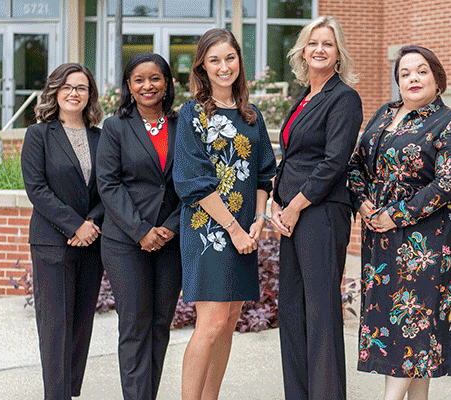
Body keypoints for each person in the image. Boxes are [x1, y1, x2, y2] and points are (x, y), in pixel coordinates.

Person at [347, 45, 451, 400]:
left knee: (413, 329)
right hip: (381, 239)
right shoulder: (384, 115)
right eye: (405, 73)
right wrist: (363, 203)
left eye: (421, 71)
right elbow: (355, 165)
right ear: (398, 81)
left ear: (437, 78)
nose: (413, 78)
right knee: (407, 335)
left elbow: (450, 181)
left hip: (427, 243)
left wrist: (396, 214)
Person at [172, 28, 277, 400]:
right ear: (202, 65)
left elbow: (266, 173)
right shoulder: (192, 114)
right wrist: (234, 229)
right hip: (211, 233)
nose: (223, 66)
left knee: (230, 320)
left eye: (229, 58)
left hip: (245, 234)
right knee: (211, 323)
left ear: (239, 62)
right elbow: (193, 182)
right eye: (214, 60)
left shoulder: (252, 115)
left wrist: (259, 221)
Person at [268, 15, 363, 400]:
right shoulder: (303, 97)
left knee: (321, 314)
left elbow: (333, 162)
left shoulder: (344, 97)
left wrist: (293, 207)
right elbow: (290, 156)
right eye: (313, 43)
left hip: (321, 214)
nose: (319, 49)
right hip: (292, 214)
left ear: (337, 53)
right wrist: (275, 199)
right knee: (292, 310)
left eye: (327, 43)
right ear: (302, 51)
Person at [95, 53, 183, 400]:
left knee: (161, 325)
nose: (148, 86)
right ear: (129, 87)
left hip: (171, 239)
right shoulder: (116, 127)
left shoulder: (183, 124)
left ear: (166, 84)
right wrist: (141, 230)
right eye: (139, 80)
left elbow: (193, 182)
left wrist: (172, 227)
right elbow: (109, 183)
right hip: (125, 241)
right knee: (134, 325)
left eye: (155, 78)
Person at [21, 63, 104, 400]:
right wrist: (75, 225)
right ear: (54, 91)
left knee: (82, 322)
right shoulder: (38, 134)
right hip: (52, 242)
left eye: (81, 87)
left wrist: (92, 224)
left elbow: (110, 187)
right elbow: (36, 189)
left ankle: (70, 390)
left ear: (90, 95)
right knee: (55, 326)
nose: (74, 93)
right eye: (67, 86)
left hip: (92, 241)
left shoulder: (102, 137)